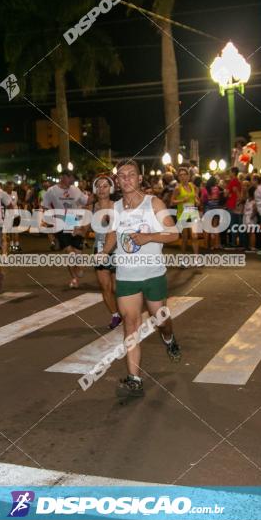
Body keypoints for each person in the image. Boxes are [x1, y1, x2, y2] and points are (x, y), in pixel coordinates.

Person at [99, 159, 180, 399]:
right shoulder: (115, 208)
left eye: (131, 174)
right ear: (117, 180)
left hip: (153, 273)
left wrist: (149, 237)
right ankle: (135, 379)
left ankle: (169, 337)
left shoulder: (154, 203)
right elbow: (113, 234)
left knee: (161, 319)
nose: (126, 179)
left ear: (139, 178)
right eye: (121, 175)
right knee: (130, 324)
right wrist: (104, 253)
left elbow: (174, 233)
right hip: (126, 276)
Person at [43, 170, 89, 288]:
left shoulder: (75, 190)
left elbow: (86, 201)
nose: (73, 180)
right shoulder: (51, 191)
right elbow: (45, 206)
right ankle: (74, 278)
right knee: (69, 252)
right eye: (70, 177)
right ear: (63, 177)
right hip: (60, 223)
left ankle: (77, 267)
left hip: (74, 222)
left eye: (73, 177)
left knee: (77, 252)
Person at [88, 175, 121, 329]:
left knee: (117, 288)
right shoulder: (91, 207)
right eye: (99, 186)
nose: (101, 189)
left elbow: (118, 229)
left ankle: (126, 311)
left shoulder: (117, 206)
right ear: (95, 190)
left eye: (105, 186)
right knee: (105, 286)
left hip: (116, 250)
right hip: (99, 249)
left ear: (111, 189)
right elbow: (83, 227)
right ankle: (115, 315)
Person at [170, 166, 200, 256]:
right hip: (182, 213)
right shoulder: (177, 188)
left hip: (192, 211)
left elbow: (196, 195)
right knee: (185, 238)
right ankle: (183, 258)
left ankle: (197, 258)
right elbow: (172, 202)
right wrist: (182, 201)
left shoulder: (192, 185)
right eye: (180, 175)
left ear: (188, 176)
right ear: (178, 177)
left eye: (184, 174)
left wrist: (197, 200)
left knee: (195, 236)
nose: (182, 177)